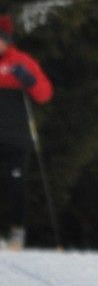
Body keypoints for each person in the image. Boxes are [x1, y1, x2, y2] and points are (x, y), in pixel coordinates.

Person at [0, 14, 54, 247]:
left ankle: (16, 233)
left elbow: (44, 94)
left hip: (16, 137)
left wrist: (29, 80)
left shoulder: (21, 62)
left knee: (15, 185)